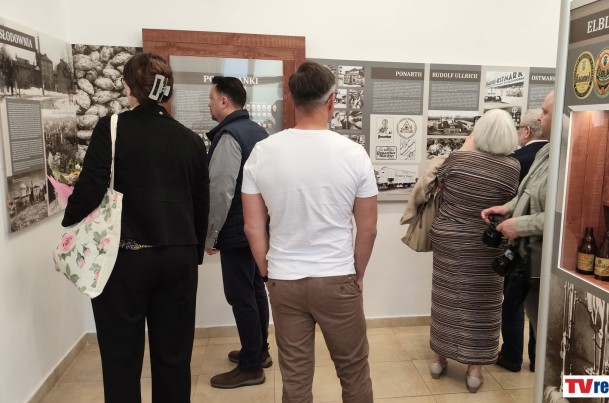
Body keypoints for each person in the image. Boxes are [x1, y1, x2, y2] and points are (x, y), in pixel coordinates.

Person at [61, 53, 209, 403]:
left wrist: (69, 221)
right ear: (167, 90)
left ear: (129, 87)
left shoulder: (112, 128)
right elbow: (200, 203)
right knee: (174, 357)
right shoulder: (190, 140)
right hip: (178, 259)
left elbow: (91, 187)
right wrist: (193, 255)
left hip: (124, 258)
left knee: (121, 359)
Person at [242, 61, 378, 402]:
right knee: (353, 370)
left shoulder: (262, 152)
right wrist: (358, 272)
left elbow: (253, 227)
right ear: (331, 102)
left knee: (296, 378)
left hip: (285, 279)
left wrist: (267, 271)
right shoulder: (354, 154)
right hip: (337, 276)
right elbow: (368, 228)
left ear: (291, 100)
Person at [429, 109, 520, 393]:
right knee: (483, 304)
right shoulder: (512, 167)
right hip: (486, 243)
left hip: (449, 240)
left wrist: (466, 147)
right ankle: (474, 371)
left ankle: (439, 360)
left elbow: (440, 183)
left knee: (445, 298)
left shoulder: (457, 159)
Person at [203, 76, 271, 389]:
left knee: (241, 295)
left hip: (237, 230)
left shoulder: (230, 135)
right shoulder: (258, 131)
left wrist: (211, 234)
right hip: (258, 228)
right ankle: (259, 352)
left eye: (211, 98)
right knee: (255, 289)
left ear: (224, 101)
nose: (209, 104)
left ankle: (250, 367)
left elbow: (220, 190)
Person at [481, 91, 555, 373]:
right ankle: (536, 367)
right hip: (527, 256)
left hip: (543, 258)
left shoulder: (572, 155)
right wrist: (507, 207)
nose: (540, 117)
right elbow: (528, 191)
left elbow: (563, 216)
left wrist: (518, 225)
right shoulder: (547, 152)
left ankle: (539, 370)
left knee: (544, 328)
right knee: (530, 313)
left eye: (545, 112)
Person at [497, 107, 547, 373]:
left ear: (526, 131)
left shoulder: (515, 159)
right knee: (540, 305)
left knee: (514, 300)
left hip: (524, 242)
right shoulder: (547, 154)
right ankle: (538, 361)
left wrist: (515, 220)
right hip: (543, 249)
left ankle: (512, 355)